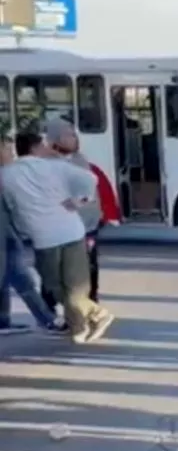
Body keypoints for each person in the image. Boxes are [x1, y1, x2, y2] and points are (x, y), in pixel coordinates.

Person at [2, 131, 114, 343]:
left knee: (55, 286)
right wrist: (81, 200)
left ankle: (88, 321)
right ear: (35, 148)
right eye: (43, 145)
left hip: (43, 238)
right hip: (71, 231)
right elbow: (91, 178)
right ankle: (82, 323)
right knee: (74, 288)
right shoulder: (54, 166)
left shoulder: (7, 175)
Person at [43, 118, 121, 308]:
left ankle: (91, 303)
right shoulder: (45, 164)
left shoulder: (81, 161)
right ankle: (50, 307)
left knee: (90, 266)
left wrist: (103, 214)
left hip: (87, 225)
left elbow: (94, 191)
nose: (75, 138)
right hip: (58, 227)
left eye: (75, 134)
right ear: (57, 138)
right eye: (70, 135)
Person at [0, 137, 64, 333]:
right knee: (22, 279)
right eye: (7, 150)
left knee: (6, 278)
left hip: (9, 233)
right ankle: (48, 319)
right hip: (6, 235)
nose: (12, 154)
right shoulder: (5, 176)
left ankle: (3, 321)